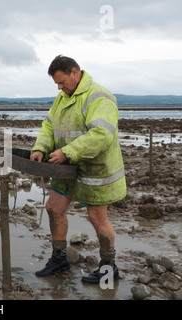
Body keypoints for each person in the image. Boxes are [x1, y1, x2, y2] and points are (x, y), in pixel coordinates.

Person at [30, 55, 127, 284]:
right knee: (53, 208)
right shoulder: (62, 98)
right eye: (56, 84)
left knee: (96, 217)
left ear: (75, 72)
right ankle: (59, 258)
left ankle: (108, 267)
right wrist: (41, 147)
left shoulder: (99, 97)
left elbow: (101, 135)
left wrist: (68, 151)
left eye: (62, 82)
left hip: (95, 167)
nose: (60, 88)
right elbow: (48, 124)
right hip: (65, 165)